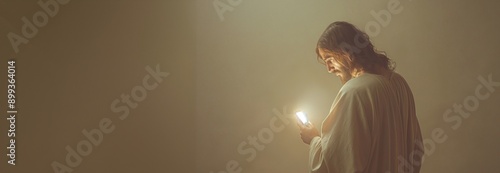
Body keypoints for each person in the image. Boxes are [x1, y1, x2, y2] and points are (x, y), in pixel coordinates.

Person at [298, 21, 424, 173]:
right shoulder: (398, 83)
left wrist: (313, 140)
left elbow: (338, 163)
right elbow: (416, 149)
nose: (329, 69)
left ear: (347, 52)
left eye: (329, 59)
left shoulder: (354, 92)